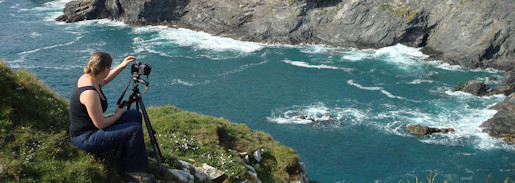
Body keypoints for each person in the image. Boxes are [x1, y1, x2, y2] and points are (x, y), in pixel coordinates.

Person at [69, 52, 155, 182]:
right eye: (110, 67)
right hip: (86, 137)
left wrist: (122, 66)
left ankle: (126, 158)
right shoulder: (89, 93)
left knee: (135, 115)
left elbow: (104, 80)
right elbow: (101, 124)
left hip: (93, 129)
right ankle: (133, 172)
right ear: (105, 69)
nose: (110, 69)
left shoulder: (90, 78)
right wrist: (118, 115)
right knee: (134, 129)